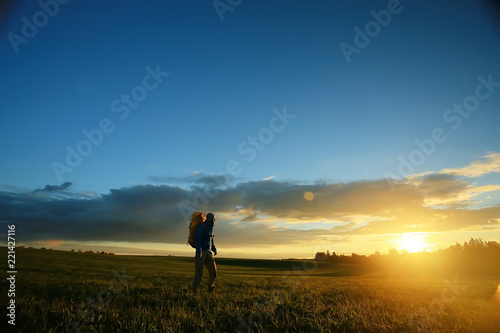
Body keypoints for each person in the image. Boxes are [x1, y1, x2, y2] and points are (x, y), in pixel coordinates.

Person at [191, 212, 217, 292]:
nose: (214, 220)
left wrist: (214, 249)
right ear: (210, 219)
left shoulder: (211, 228)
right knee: (199, 273)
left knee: (213, 272)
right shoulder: (201, 226)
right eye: (213, 219)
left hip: (209, 253)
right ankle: (194, 290)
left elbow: (211, 240)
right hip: (201, 252)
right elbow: (197, 239)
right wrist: (199, 251)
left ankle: (210, 287)